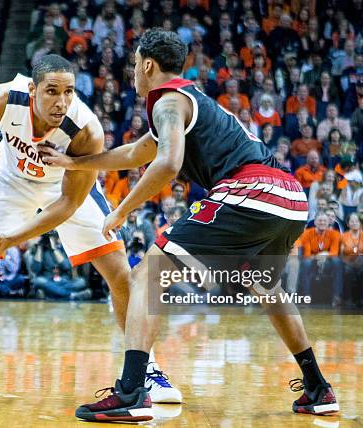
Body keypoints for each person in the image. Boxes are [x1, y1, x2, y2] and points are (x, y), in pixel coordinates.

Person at [39, 30, 338, 422]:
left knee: (148, 271)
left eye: (134, 64)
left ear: (147, 64)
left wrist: (122, 209)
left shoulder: (166, 102)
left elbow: (166, 163)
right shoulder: (188, 101)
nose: (132, 72)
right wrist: (74, 164)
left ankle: (131, 393)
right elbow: (134, 153)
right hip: (289, 197)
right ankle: (317, 388)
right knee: (267, 286)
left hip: (250, 189)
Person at [0, 54, 181, 403]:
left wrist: (12, 239)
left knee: (119, 274)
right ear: (32, 89)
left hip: (66, 188)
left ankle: (148, 368)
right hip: (11, 181)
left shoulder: (86, 130)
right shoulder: (3, 99)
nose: (62, 101)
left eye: (68, 91)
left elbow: (68, 204)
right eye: (52, 91)